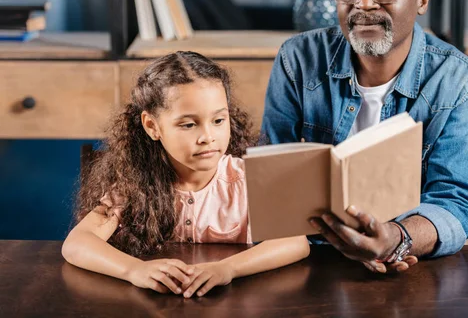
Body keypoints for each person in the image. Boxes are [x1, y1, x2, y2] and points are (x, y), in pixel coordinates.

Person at [261, 0, 468, 273]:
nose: (364, 4)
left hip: (410, 259)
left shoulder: (460, 81)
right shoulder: (298, 59)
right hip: (307, 255)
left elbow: (456, 203)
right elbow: (272, 178)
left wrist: (394, 238)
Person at [62, 51, 309, 297]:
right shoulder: (134, 184)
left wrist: (228, 269)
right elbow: (77, 243)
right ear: (152, 127)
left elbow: (295, 242)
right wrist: (134, 270)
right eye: (189, 124)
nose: (208, 137)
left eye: (219, 120)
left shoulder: (247, 180)